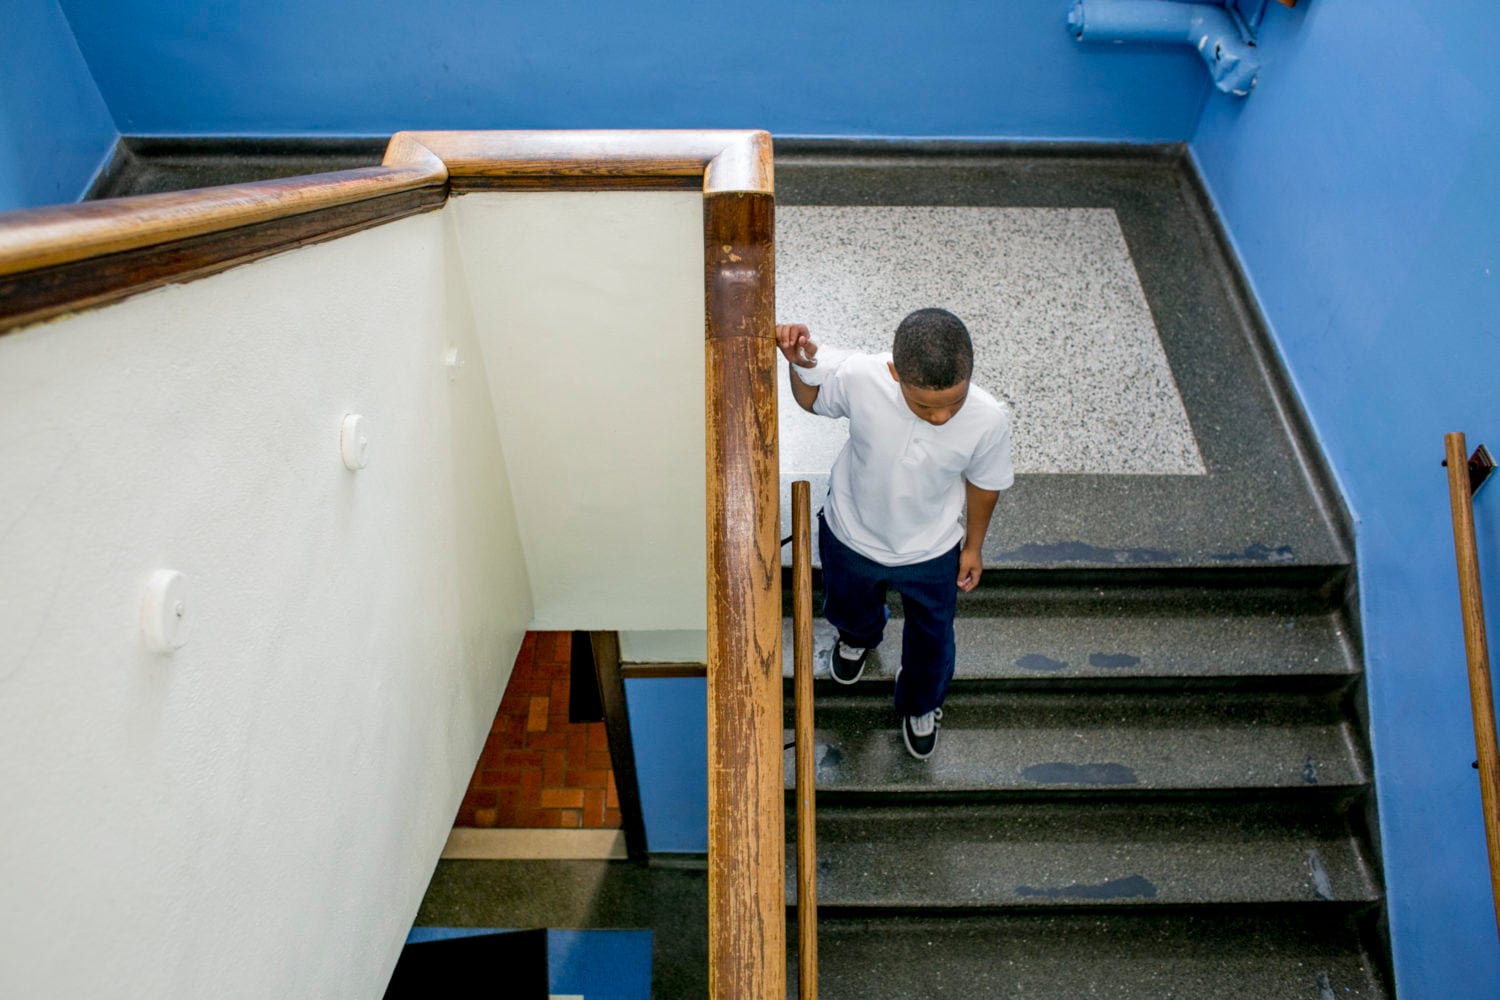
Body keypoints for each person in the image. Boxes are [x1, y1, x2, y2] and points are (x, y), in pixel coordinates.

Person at [777, 308, 1013, 760]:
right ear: (894, 373)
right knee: (848, 605)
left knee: (934, 636)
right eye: (925, 405)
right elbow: (811, 400)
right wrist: (797, 362)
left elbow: (985, 484)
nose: (941, 417)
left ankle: (922, 705)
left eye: (953, 403)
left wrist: (974, 547)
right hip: (852, 532)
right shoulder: (863, 377)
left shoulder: (988, 418)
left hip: (932, 548)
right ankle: (858, 639)